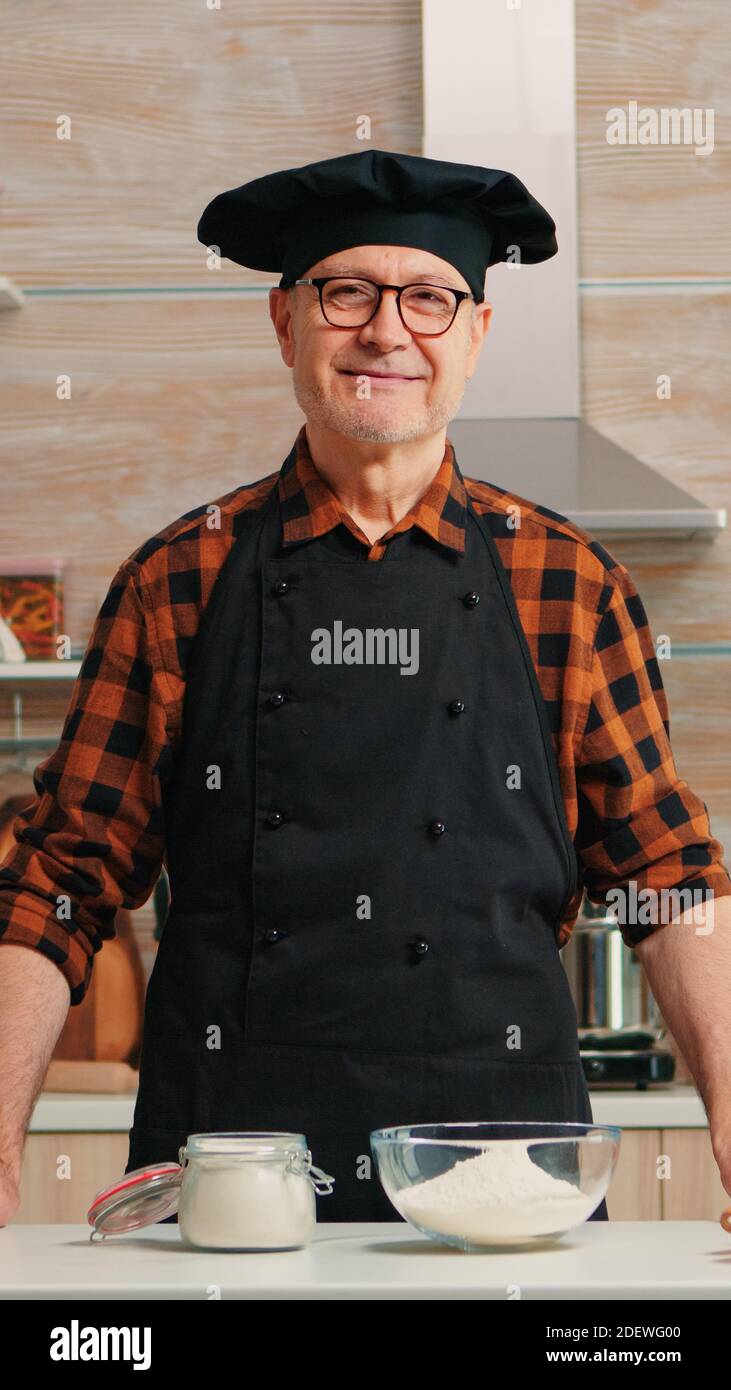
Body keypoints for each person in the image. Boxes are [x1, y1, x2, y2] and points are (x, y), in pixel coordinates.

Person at [1, 150, 730, 1226]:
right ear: (284, 322)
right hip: (235, 1182)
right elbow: (57, 882)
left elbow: (662, 877)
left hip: (506, 1173)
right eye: (346, 292)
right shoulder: (178, 580)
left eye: (429, 297)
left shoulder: (568, 585)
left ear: (474, 335)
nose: (387, 331)